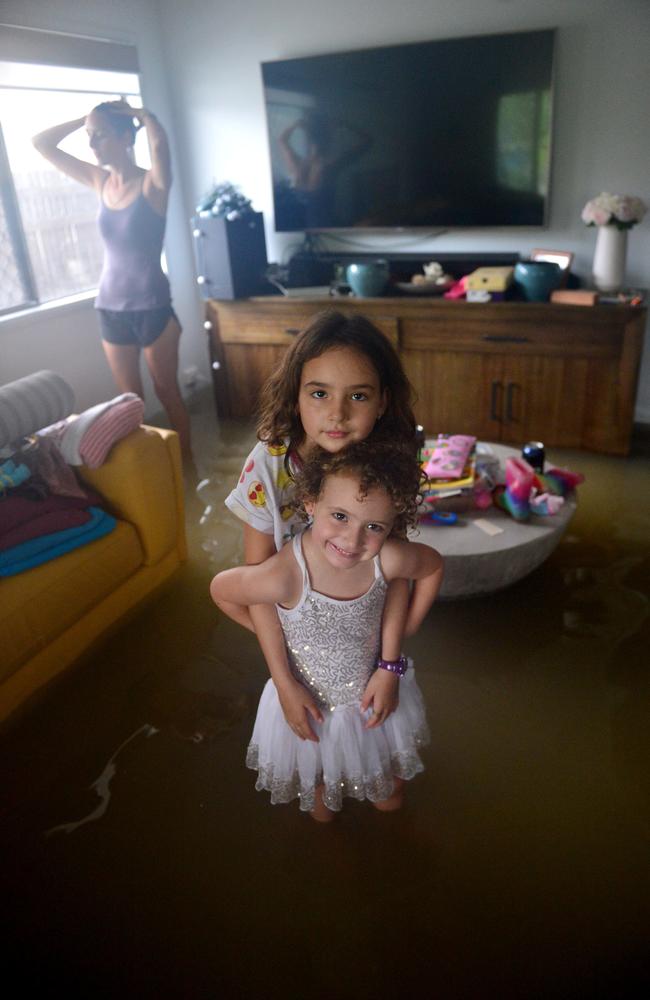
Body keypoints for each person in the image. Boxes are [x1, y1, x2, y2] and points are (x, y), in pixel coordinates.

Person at [211, 441, 444, 820]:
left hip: (374, 696)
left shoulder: (386, 558)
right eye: (339, 516)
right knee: (321, 798)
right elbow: (221, 590)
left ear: (392, 523)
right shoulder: (286, 574)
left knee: (391, 793)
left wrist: (396, 653)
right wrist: (281, 641)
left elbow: (432, 567)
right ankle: (333, 858)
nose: (352, 541)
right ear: (310, 503)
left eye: (373, 526)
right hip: (310, 707)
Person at [32, 100, 193, 466]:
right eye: (91, 137)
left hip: (153, 307)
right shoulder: (99, 180)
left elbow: (160, 150)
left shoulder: (153, 184)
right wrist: (86, 119)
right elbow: (41, 143)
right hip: (110, 308)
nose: (92, 145)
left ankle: (187, 468)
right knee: (130, 404)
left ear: (125, 137)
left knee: (167, 392)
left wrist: (143, 115)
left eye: (100, 136)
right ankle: (148, 472)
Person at [278, 112, 372, 227]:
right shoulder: (331, 167)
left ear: (308, 138)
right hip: (325, 227)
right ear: (329, 140)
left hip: (298, 227)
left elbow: (282, 140)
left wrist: (296, 125)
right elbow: (368, 141)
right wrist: (345, 124)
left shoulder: (297, 164)